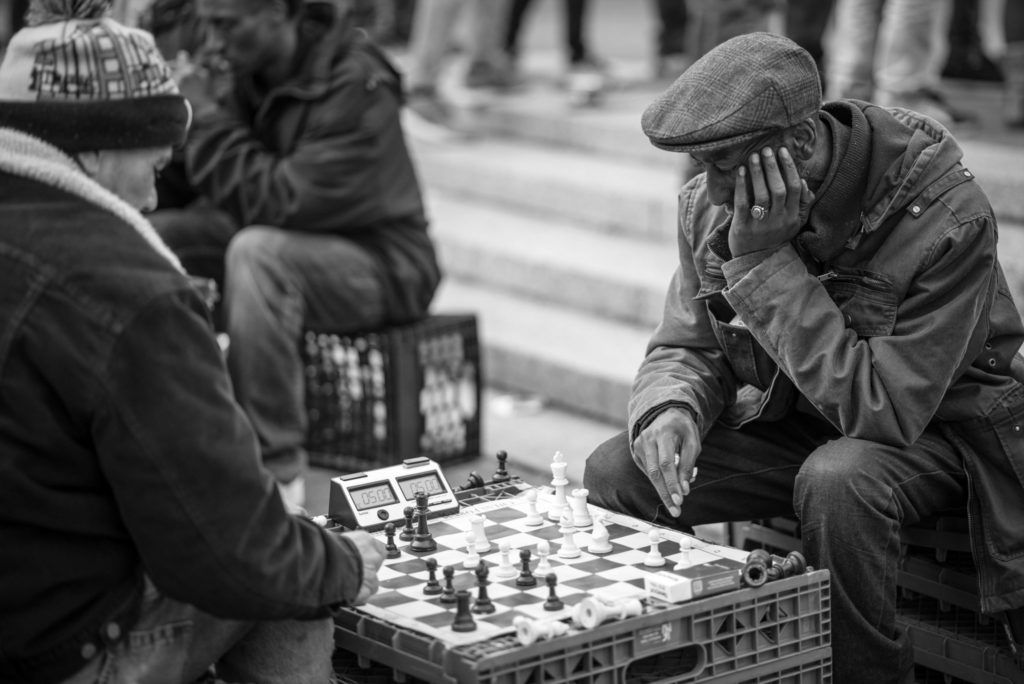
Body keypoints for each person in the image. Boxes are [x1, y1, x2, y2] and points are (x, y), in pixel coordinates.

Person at [584, 32, 1024, 684]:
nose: (709, 188)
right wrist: (671, 408)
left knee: (838, 479)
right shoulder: (717, 203)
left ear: (799, 146)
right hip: (806, 415)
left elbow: (887, 409)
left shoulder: (942, 214)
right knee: (620, 469)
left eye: (726, 163)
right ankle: (707, 655)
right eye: (700, 164)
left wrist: (765, 266)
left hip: (943, 431)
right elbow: (687, 342)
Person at [0, 1, 387, 683]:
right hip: (59, 652)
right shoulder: (132, 292)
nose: (160, 181)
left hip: (23, 600)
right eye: (155, 156)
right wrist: (343, 562)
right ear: (97, 144)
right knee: (293, 584)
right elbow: (235, 553)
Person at [149, 0, 443, 507]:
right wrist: (177, 117)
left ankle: (276, 477)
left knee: (258, 255)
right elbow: (181, 189)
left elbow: (282, 199)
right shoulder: (245, 70)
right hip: (287, 237)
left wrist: (210, 119)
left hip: (384, 265)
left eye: (227, 26)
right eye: (210, 26)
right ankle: (170, 436)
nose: (213, 43)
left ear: (280, 13)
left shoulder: (355, 80)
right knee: (159, 237)